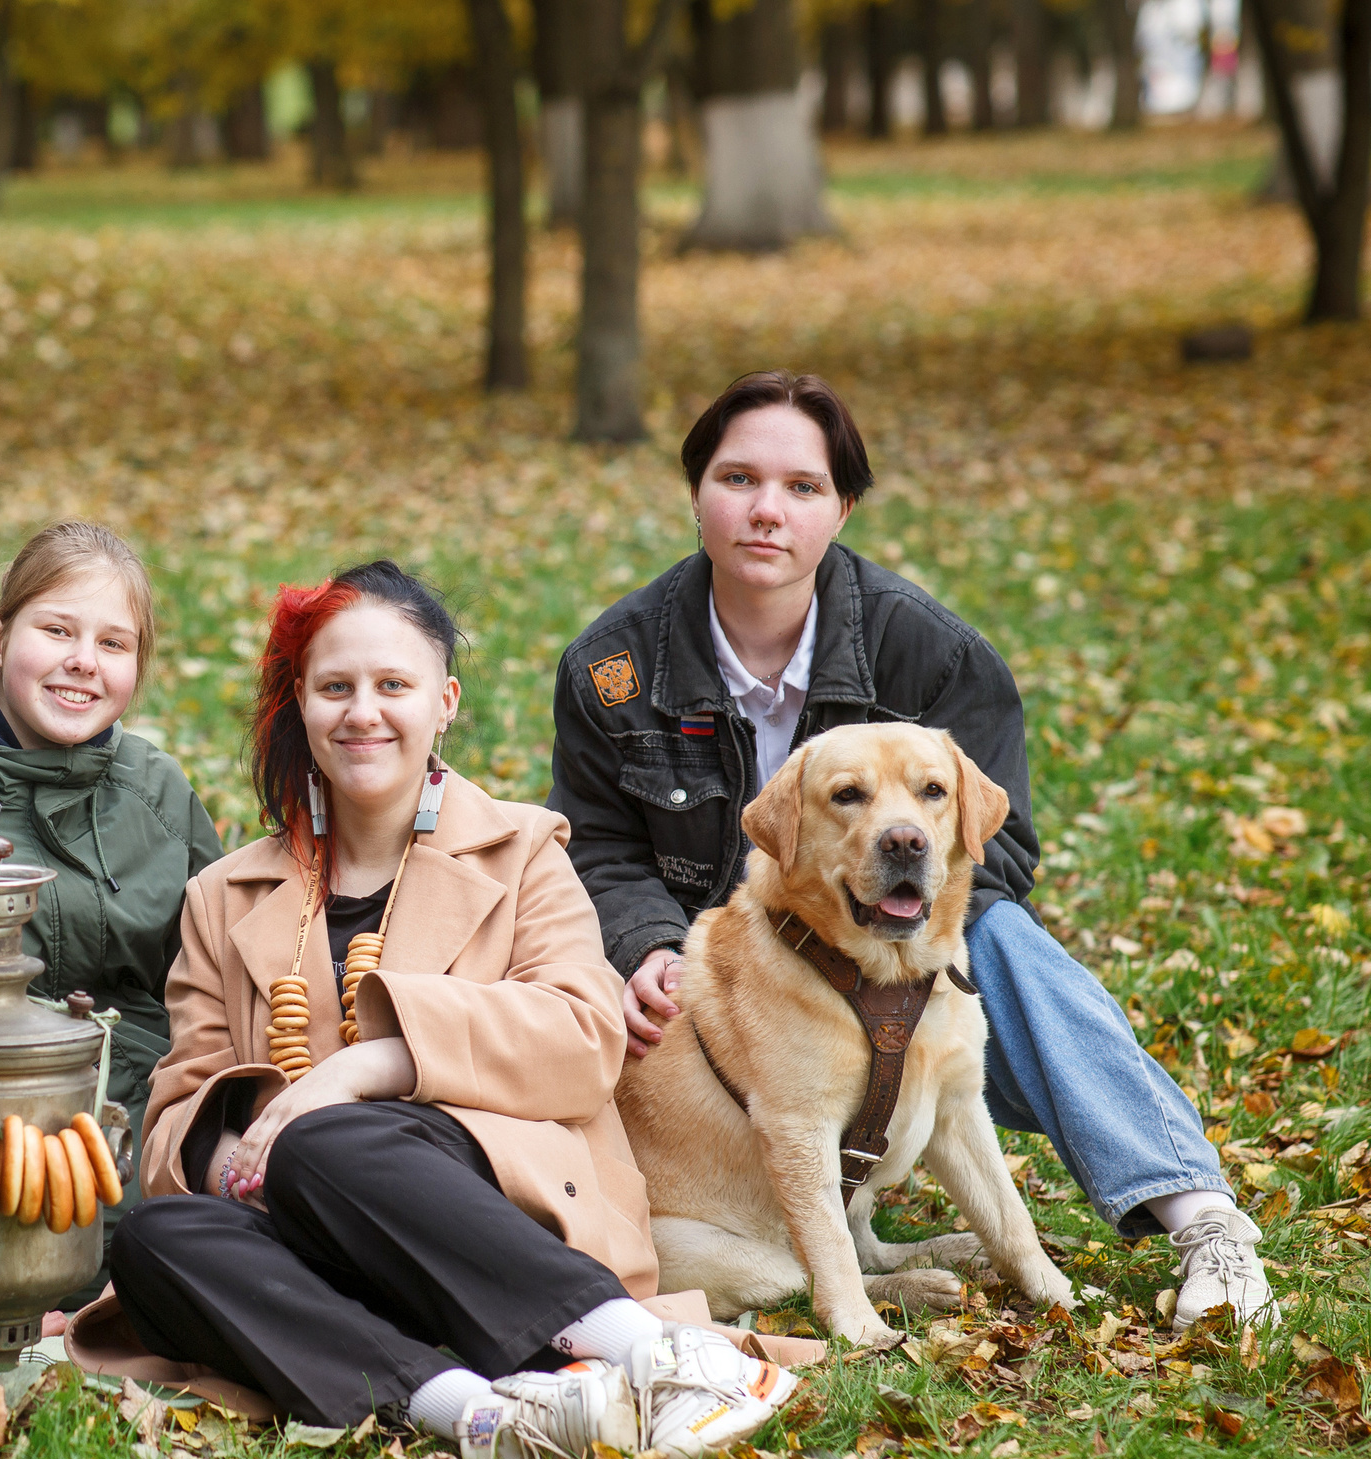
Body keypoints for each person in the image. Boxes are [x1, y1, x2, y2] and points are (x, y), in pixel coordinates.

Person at [545, 370, 1273, 1329]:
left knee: (1000, 942)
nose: (767, 510)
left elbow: (997, 849)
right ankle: (609, 1221)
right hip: (705, 977)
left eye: (803, 486)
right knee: (567, 978)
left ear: (842, 509)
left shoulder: (935, 654)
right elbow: (593, 846)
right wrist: (642, 943)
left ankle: (1203, 1217)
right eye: (738, 478)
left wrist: (892, 935)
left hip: (904, 941)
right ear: (696, 492)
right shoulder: (613, 665)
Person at [86, 561, 802, 1459]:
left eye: (394, 685)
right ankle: (480, 1415)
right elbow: (175, 1114)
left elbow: (585, 1038)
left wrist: (366, 1066)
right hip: (314, 1244)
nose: (364, 712)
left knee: (331, 1137)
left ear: (445, 703)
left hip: (499, 1225)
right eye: (335, 688)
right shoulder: (223, 897)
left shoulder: (524, 849)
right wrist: (238, 1161)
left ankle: (657, 1356)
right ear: (301, 702)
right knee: (154, 1240)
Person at [0, 520, 222, 1157]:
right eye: (57, 630)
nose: (84, 660)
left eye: (113, 643)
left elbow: (211, 986)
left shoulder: (153, 788)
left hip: (137, 1111)